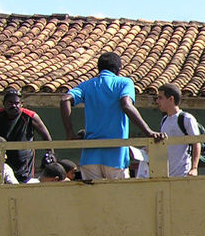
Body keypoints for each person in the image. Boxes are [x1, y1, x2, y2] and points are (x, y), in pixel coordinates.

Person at [59, 52, 164, 180]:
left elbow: (65, 100)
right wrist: (149, 132)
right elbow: (126, 105)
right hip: (115, 157)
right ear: (118, 70)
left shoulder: (88, 85)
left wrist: (70, 133)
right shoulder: (124, 83)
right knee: (117, 199)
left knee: (94, 199)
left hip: (89, 157)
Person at [0, 88, 53, 183]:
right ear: (3, 103)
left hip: (23, 165)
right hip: (2, 161)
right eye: (10, 102)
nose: (14, 105)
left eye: (17, 103)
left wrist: (50, 154)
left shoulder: (30, 116)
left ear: (21, 104)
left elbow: (46, 138)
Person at [154, 83, 201, 177]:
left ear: (171, 99)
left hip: (182, 174)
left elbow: (197, 143)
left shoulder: (186, 118)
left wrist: (194, 168)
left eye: (160, 98)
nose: (157, 101)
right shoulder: (164, 120)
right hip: (166, 174)